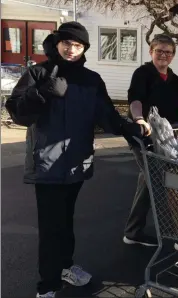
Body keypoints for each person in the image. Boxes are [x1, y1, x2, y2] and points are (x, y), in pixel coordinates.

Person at [4, 21, 147, 298]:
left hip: (76, 162)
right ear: (57, 43)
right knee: (50, 226)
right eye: (67, 43)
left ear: (84, 49)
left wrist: (132, 129)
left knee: (66, 220)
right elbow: (18, 114)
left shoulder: (90, 79)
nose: (71, 49)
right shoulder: (38, 73)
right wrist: (42, 92)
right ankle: (47, 285)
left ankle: (65, 267)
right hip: (46, 163)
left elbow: (107, 115)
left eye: (78, 45)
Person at [123, 34, 178, 247]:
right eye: (159, 51)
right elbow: (136, 99)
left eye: (168, 52)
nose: (163, 55)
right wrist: (139, 119)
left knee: (148, 179)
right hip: (144, 135)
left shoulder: (174, 80)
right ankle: (174, 231)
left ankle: (133, 231)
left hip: (165, 137)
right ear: (151, 52)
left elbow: (175, 112)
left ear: (173, 55)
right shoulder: (143, 73)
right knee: (156, 179)